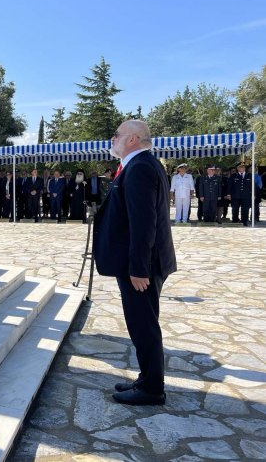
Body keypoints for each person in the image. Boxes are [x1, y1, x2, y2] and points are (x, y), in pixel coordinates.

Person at [93, 120, 176, 406]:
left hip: (142, 266)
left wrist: (138, 268)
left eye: (116, 135)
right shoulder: (142, 164)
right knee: (141, 323)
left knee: (144, 325)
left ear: (132, 139)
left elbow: (144, 223)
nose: (112, 139)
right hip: (141, 262)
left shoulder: (140, 167)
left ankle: (153, 388)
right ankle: (146, 377)